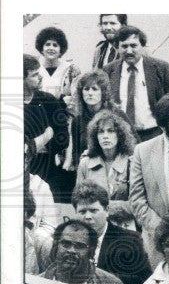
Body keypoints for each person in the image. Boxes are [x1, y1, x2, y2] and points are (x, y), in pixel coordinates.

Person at [129, 92, 169, 262]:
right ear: (163, 127)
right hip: (157, 241)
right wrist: (162, 229)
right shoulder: (142, 151)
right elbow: (136, 200)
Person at [72, 181, 151, 284]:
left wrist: (100, 278)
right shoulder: (68, 243)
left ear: (107, 210)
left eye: (93, 210)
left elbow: (144, 282)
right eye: (82, 212)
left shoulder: (130, 240)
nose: (88, 216)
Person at [104, 25, 169, 140]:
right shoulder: (108, 71)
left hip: (154, 134)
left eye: (133, 46)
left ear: (142, 46)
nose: (129, 51)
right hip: (120, 136)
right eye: (124, 46)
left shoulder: (161, 68)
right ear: (117, 48)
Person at [24, 54, 72, 202]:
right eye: (35, 75)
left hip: (49, 171)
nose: (40, 77)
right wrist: (46, 135)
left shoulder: (48, 100)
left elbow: (63, 137)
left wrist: (33, 146)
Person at [67, 70, 125, 173]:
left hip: (117, 171)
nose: (90, 93)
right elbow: (76, 154)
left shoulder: (117, 115)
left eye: (94, 89)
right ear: (81, 92)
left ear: (103, 92)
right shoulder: (77, 121)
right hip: (89, 172)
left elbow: (132, 146)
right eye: (86, 89)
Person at [76, 107, 135, 202]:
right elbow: (79, 200)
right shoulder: (85, 164)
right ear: (95, 136)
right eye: (101, 132)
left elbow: (137, 202)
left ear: (119, 135)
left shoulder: (132, 162)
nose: (105, 136)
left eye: (111, 131)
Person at [35, 25, 81, 101]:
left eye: (55, 45)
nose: (51, 48)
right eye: (47, 44)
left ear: (61, 49)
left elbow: (76, 99)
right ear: (41, 48)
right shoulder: (35, 69)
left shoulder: (71, 70)